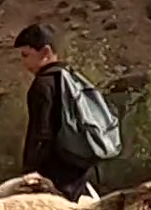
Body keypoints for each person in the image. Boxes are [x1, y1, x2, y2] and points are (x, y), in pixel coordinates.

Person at [13, 23, 118, 198]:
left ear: (46, 52)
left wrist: (30, 169)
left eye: (26, 55)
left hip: (55, 172)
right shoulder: (69, 77)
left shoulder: (42, 85)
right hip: (78, 168)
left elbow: (40, 132)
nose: (23, 62)